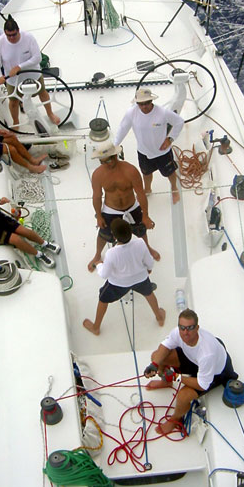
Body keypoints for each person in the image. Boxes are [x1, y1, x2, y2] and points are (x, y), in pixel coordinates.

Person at [144, 308, 238, 435]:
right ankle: (166, 382)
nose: (185, 332)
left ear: (197, 328)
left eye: (190, 328)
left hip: (215, 373)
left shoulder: (206, 354)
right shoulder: (178, 333)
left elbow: (202, 384)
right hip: (194, 361)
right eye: (182, 327)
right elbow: (165, 346)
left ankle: (175, 419)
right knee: (157, 356)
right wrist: (154, 365)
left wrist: (177, 377)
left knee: (183, 397)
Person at [83, 218, 165, 335]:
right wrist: (149, 270)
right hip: (141, 279)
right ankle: (159, 317)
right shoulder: (141, 243)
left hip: (118, 285)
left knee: (103, 299)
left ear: (114, 237)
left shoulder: (111, 253)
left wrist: (99, 264)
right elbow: (149, 262)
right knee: (149, 294)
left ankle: (96, 327)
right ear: (131, 232)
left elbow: (104, 274)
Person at [87, 142, 159, 272]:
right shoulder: (98, 174)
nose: (105, 164)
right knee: (104, 234)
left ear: (115, 156)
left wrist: (146, 215)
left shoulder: (130, 170)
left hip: (131, 206)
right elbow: (97, 196)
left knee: (141, 230)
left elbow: (140, 193)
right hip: (110, 209)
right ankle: (97, 255)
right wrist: (98, 216)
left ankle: (147, 247)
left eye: (107, 161)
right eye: (102, 162)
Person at [114, 88, 185, 204]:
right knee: (146, 173)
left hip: (163, 152)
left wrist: (170, 139)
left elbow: (179, 122)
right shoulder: (131, 113)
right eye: (141, 104)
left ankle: (174, 188)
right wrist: (115, 145)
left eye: (147, 103)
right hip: (143, 152)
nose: (144, 106)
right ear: (137, 103)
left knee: (170, 173)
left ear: (151, 101)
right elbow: (123, 129)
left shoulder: (162, 112)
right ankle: (147, 189)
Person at [0, 16, 60, 127]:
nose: (12, 38)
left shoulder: (29, 38)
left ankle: (50, 114)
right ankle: (16, 122)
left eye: (14, 34)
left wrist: (19, 67)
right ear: (5, 33)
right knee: (13, 101)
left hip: (34, 75)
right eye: (9, 35)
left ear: (18, 30)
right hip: (12, 80)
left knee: (43, 93)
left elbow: (37, 58)